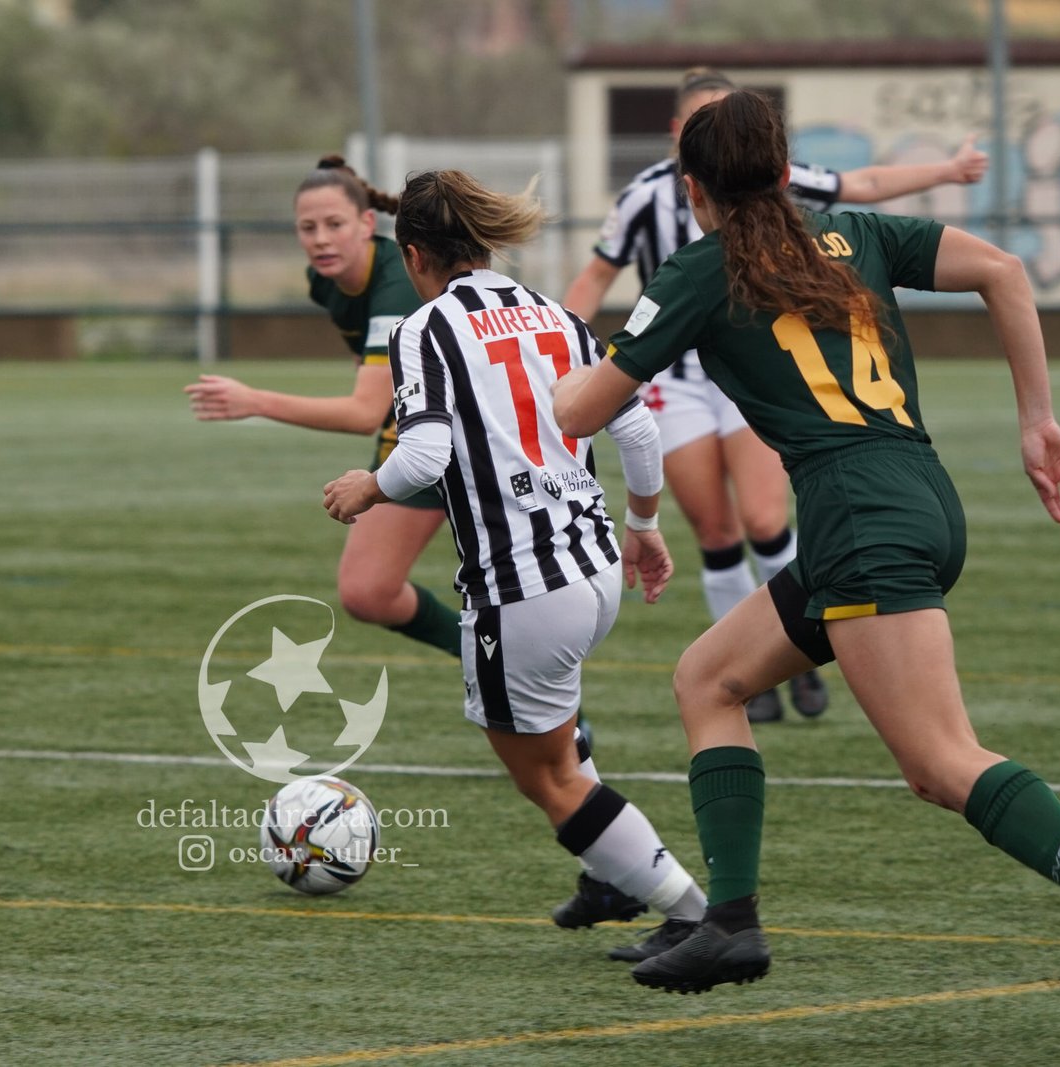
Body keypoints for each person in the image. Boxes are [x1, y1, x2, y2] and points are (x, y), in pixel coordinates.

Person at [554, 89, 1060, 994]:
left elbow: (579, 409)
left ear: (693, 188)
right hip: (916, 495)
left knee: (941, 761)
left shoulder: (700, 269)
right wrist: (1037, 420)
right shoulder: (855, 234)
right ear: (780, 169)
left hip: (858, 516)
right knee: (708, 679)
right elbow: (1004, 269)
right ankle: (729, 924)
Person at [323, 169, 711, 962]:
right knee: (557, 750)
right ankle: (611, 881)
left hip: (523, 586)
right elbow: (635, 433)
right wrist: (645, 525)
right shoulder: (557, 315)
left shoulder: (422, 328)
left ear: (412, 253)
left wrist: (370, 484)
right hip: (595, 563)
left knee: (551, 780)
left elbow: (426, 451)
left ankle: (694, 913)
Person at [563, 68, 990, 723]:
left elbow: (865, 184)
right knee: (714, 528)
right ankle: (756, 673)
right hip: (673, 378)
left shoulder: (783, 216)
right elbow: (596, 275)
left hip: (766, 371)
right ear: (681, 143)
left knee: (766, 519)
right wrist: (574, 347)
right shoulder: (647, 200)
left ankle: (796, 657)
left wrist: (944, 171)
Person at [185, 157, 462, 658]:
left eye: (334, 224)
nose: (320, 239)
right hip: (416, 428)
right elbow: (376, 380)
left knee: (497, 591)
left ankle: (523, 688)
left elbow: (363, 410)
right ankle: (495, 667)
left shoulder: (396, 286)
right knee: (369, 591)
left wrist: (254, 401)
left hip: (463, 436)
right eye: (307, 228)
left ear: (366, 224)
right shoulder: (326, 283)